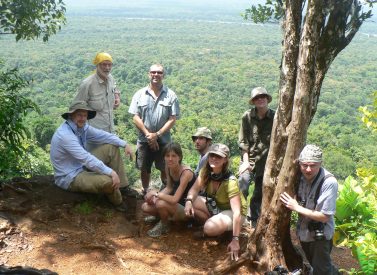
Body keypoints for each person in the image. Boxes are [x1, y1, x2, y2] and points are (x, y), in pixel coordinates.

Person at [50, 101, 133, 211]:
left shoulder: (82, 128)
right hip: (70, 176)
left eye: (85, 115)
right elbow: (86, 158)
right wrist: (111, 173)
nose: (83, 118)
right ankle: (118, 202)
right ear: (71, 116)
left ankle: (122, 186)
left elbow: (103, 135)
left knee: (112, 148)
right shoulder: (65, 135)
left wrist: (125, 144)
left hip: (80, 165)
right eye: (79, 115)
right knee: (109, 181)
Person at [280, 145, 339, 275]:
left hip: (320, 235)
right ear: (299, 164)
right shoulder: (298, 176)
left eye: (313, 165)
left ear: (320, 164)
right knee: (317, 265)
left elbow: (324, 216)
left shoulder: (328, 182)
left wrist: (296, 207)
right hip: (304, 232)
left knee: (321, 271)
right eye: (304, 165)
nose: (308, 169)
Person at [184, 143, 247, 261]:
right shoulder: (205, 172)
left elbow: (237, 212)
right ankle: (220, 230)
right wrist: (188, 201)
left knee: (208, 227)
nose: (214, 158)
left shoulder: (230, 181)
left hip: (235, 213)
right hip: (219, 207)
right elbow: (194, 190)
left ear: (225, 160)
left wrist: (235, 240)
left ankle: (225, 232)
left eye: (218, 156)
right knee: (193, 201)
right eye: (212, 155)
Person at [128, 64, 180, 194]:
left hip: (164, 141)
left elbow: (172, 119)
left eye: (159, 72)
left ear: (163, 75)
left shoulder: (171, 95)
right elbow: (135, 117)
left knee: (165, 167)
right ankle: (145, 191)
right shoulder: (139, 94)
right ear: (149, 74)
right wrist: (148, 135)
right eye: (153, 72)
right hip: (144, 140)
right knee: (144, 168)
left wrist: (157, 135)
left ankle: (166, 191)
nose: (156, 75)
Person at [141, 142, 196, 237]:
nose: (170, 159)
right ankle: (163, 217)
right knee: (146, 206)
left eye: (174, 156)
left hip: (188, 209)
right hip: (175, 205)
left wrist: (156, 194)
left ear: (179, 157)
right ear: (164, 157)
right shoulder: (168, 167)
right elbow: (169, 187)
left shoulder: (186, 173)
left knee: (161, 203)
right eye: (167, 156)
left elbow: (175, 199)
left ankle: (165, 224)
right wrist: (154, 198)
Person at [238, 87, 275, 226]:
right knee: (243, 183)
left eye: (263, 97)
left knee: (259, 193)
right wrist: (246, 162)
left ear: (267, 99)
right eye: (257, 98)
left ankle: (253, 221)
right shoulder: (247, 117)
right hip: (249, 159)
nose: (260, 99)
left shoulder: (275, 117)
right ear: (253, 101)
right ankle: (238, 217)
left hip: (266, 162)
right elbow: (243, 142)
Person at [74, 52, 120, 134]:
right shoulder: (87, 84)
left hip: (110, 130)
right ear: (97, 65)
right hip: (93, 133)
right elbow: (76, 107)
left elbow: (114, 86)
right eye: (104, 64)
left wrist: (117, 96)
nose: (107, 67)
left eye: (110, 65)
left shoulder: (110, 78)